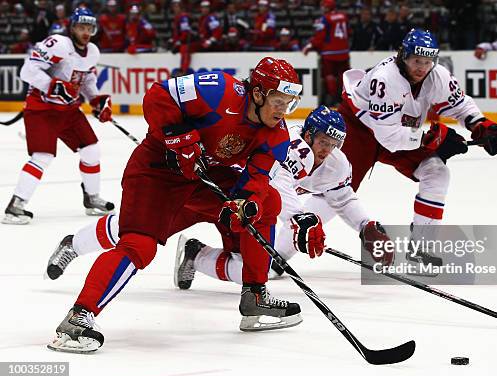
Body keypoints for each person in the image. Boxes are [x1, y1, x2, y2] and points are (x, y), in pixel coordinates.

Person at [46, 57, 304, 353]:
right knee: (139, 246)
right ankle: (78, 317)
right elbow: (158, 95)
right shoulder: (219, 89)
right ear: (257, 93)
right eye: (278, 101)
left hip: (203, 178)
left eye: (289, 103)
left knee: (269, 202)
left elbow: (256, 179)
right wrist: (178, 138)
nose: (283, 111)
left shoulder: (277, 135)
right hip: (157, 172)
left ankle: (255, 296)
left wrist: (245, 204)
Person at [44, 107, 395, 287]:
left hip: (239, 208)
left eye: (334, 144)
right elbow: (278, 184)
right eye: (323, 142)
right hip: (208, 190)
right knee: (134, 227)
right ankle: (73, 244)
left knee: (262, 267)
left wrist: (366, 225)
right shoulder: (292, 147)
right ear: (309, 134)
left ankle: (195, 256)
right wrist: (301, 218)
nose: (326, 150)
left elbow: (343, 198)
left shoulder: (336, 165)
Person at [338, 28, 497, 262]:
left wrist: (482, 126)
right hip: (360, 130)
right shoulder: (385, 78)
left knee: (437, 173)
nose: (422, 67)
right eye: (416, 61)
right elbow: (387, 136)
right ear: (403, 56)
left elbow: (460, 105)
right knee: (336, 190)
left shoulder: (437, 75)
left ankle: (421, 247)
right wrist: (434, 139)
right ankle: (282, 252)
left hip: (400, 132)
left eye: (428, 61)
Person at [3, 8, 114, 225]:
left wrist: (96, 100)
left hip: (69, 111)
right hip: (42, 109)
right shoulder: (59, 44)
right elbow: (27, 71)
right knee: (43, 157)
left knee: (92, 150)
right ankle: (15, 207)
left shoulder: (92, 51)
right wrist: (52, 86)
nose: (85, 32)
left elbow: (87, 80)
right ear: (72, 27)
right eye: (81, 27)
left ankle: (92, 199)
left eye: (89, 28)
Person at [302, 0, 349, 106]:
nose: (322, 8)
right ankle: (343, 98)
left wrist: (310, 46)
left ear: (328, 7)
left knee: (329, 76)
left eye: (324, 6)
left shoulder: (324, 19)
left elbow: (319, 36)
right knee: (343, 76)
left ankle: (333, 98)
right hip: (344, 52)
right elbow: (348, 32)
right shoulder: (343, 16)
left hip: (329, 52)